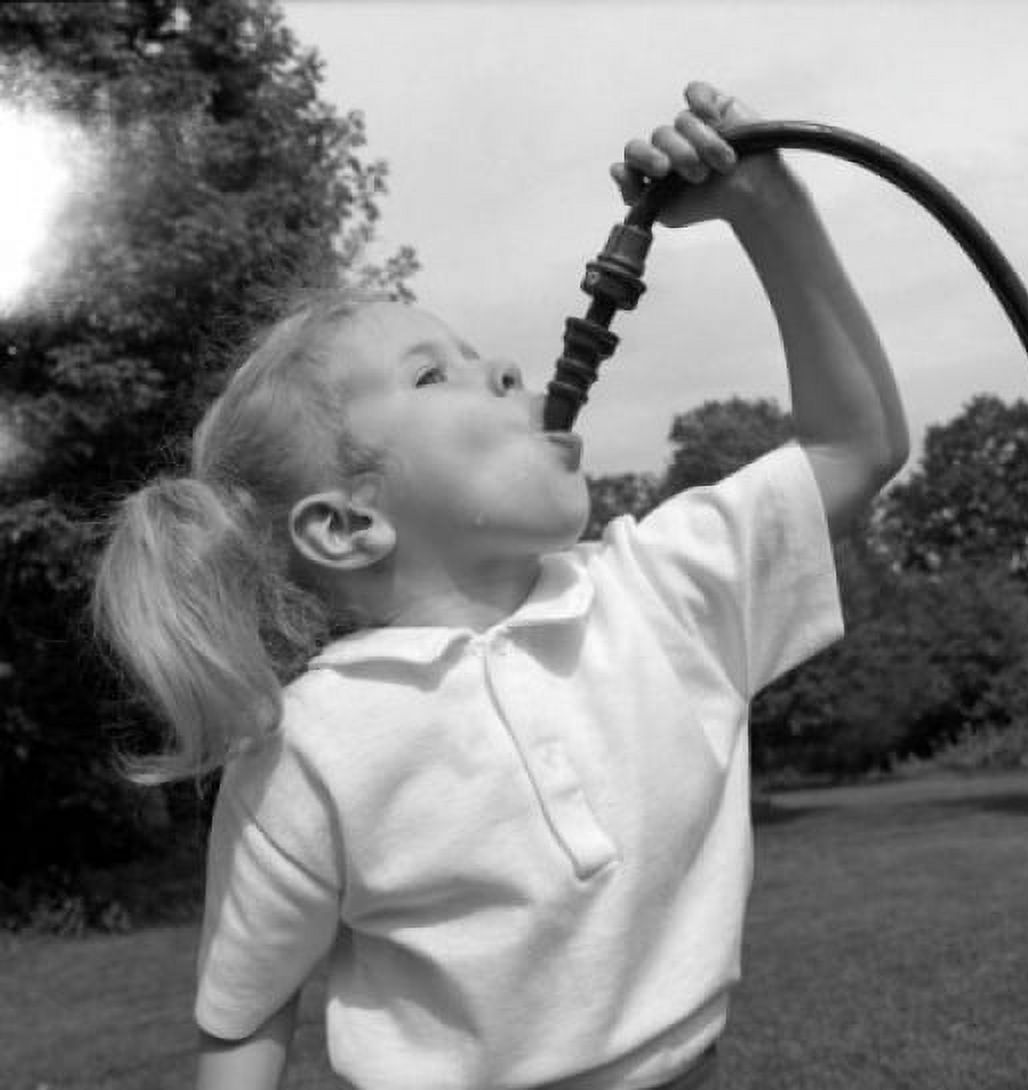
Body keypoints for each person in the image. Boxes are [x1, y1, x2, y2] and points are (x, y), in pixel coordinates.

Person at [93, 81, 908, 1090]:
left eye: (480, 357)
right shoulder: (309, 750)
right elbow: (248, 1012)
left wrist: (765, 209)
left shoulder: (658, 594)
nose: (508, 371)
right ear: (347, 524)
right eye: (435, 375)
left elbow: (856, 444)